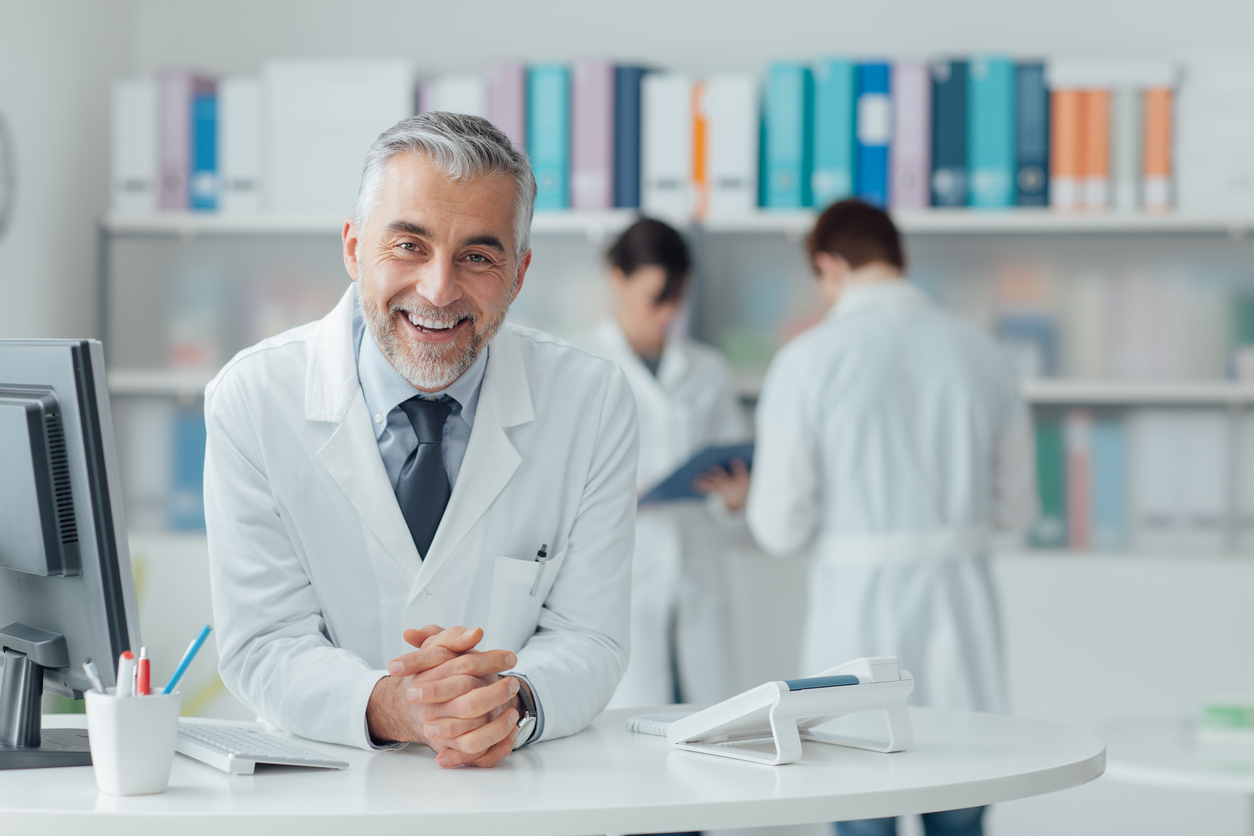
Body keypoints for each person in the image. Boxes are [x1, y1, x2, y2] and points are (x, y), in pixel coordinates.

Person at [203, 112, 638, 769]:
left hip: (512, 790)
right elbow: (263, 641)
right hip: (325, 784)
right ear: (353, 248)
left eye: (477, 256)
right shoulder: (253, 398)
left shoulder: (592, 402)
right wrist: (393, 704)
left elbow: (590, 637)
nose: (438, 290)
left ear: (518, 275)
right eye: (409, 245)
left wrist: (506, 704)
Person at [745, 200, 1037, 836]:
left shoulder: (808, 361)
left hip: (857, 638)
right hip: (962, 630)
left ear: (828, 266)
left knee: (860, 811)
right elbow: (1018, 511)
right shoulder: (983, 353)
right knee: (961, 813)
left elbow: (779, 527)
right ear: (901, 260)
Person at [579, 218, 752, 709]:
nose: (669, 312)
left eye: (679, 298)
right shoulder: (580, 366)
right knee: (629, 726)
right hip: (622, 579)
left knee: (712, 716)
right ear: (618, 278)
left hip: (697, 572)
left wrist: (735, 500)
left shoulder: (708, 369)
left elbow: (731, 468)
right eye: (657, 296)